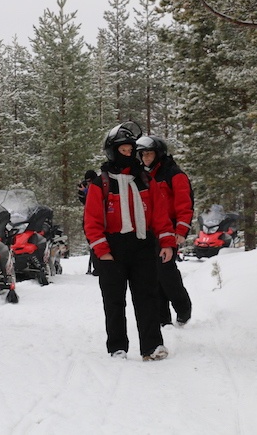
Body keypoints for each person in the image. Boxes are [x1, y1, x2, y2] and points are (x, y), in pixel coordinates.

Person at [83, 122, 176, 361]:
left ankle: (152, 346)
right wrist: (102, 251)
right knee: (114, 302)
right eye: (123, 150)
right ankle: (117, 347)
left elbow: (160, 215)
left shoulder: (146, 180)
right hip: (111, 250)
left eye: (130, 150)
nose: (128, 154)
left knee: (148, 298)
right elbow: (92, 221)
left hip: (143, 246)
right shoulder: (100, 183)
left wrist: (167, 242)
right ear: (113, 151)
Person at [136, 135, 193, 326]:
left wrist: (181, 231)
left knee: (166, 271)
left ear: (158, 154)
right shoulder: (143, 176)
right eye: (143, 155)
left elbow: (185, 205)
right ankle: (163, 317)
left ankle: (183, 306)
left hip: (169, 230)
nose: (146, 158)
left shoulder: (174, 174)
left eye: (149, 154)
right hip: (149, 232)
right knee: (153, 274)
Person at [77, 169, 100, 276]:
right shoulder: (87, 188)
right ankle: (97, 267)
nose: (89, 183)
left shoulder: (99, 186)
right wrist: (83, 192)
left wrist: (87, 191)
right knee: (92, 242)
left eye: (91, 181)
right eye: (88, 181)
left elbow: (96, 200)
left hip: (99, 218)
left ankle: (99, 267)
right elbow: (85, 202)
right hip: (88, 218)